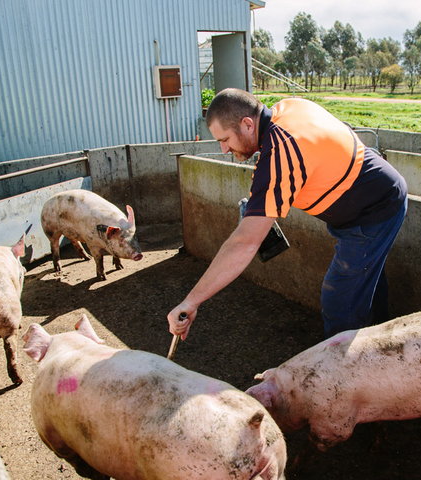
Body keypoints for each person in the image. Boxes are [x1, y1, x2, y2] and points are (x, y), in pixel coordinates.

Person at [167, 88, 407, 340]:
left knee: (340, 299)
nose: (224, 149)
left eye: (225, 139)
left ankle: (344, 372)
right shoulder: (289, 108)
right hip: (373, 191)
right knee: (365, 282)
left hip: (374, 210)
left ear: (248, 124)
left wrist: (191, 301)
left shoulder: (280, 154)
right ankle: (380, 345)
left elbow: (244, 243)